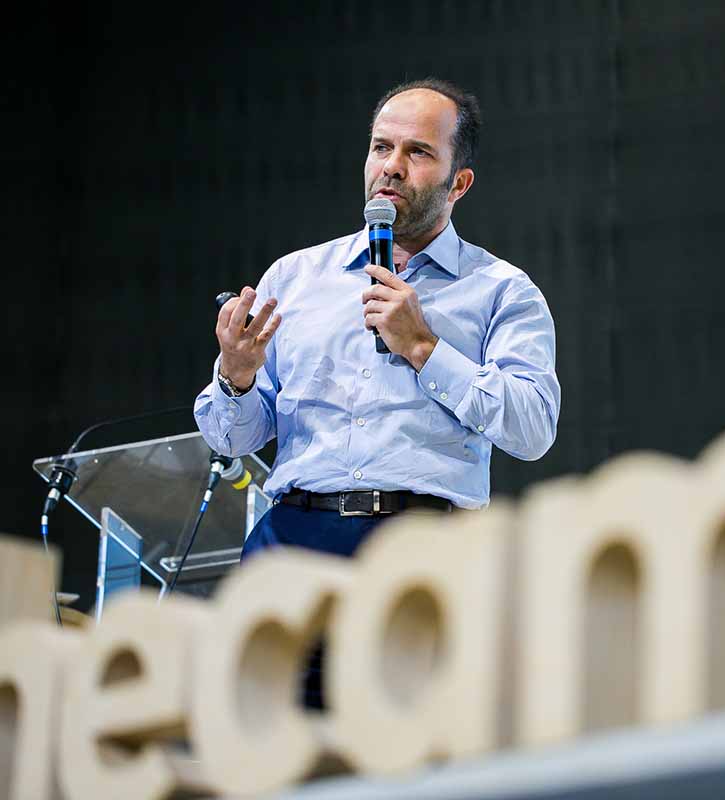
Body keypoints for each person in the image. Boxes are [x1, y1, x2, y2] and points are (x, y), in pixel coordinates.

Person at [194, 77, 560, 562]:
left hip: (427, 548)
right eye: (381, 147)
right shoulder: (294, 277)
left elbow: (532, 429)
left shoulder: (501, 289)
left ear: (459, 183)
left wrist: (424, 348)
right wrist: (235, 377)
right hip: (291, 541)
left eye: (419, 152)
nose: (392, 167)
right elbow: (230, 438)